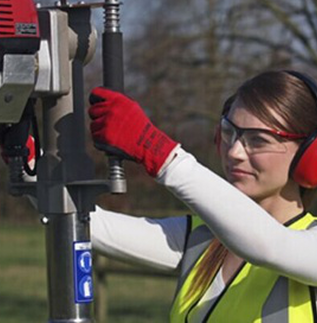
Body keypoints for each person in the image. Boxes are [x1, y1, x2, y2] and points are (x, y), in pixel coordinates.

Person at [88, 69, 317, 322]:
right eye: (230, 133)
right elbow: (84, 225)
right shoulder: (202, 239)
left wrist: (159, 152)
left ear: (309, 156)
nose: (235, 152)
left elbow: (268, 246)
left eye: (259, 140)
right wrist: (38, 167)